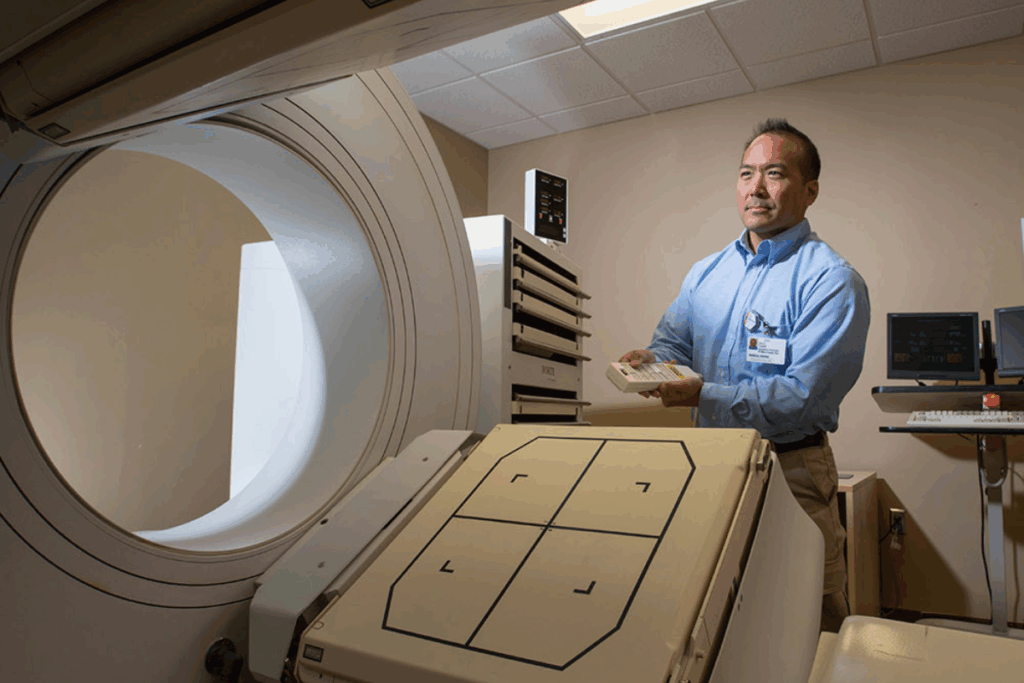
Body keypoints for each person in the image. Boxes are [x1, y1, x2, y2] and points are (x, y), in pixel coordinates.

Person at [619, 118, 870, 633]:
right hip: (708, 465)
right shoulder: (706, 273)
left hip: (791, 469)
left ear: (809, 189)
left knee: (808, 619)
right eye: (745, 173)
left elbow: (801, 397)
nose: (755, 188)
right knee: (714, 612)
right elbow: (674, 342)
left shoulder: (831, 280)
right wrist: (652, 359)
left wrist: (701, 393)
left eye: (773, 173)